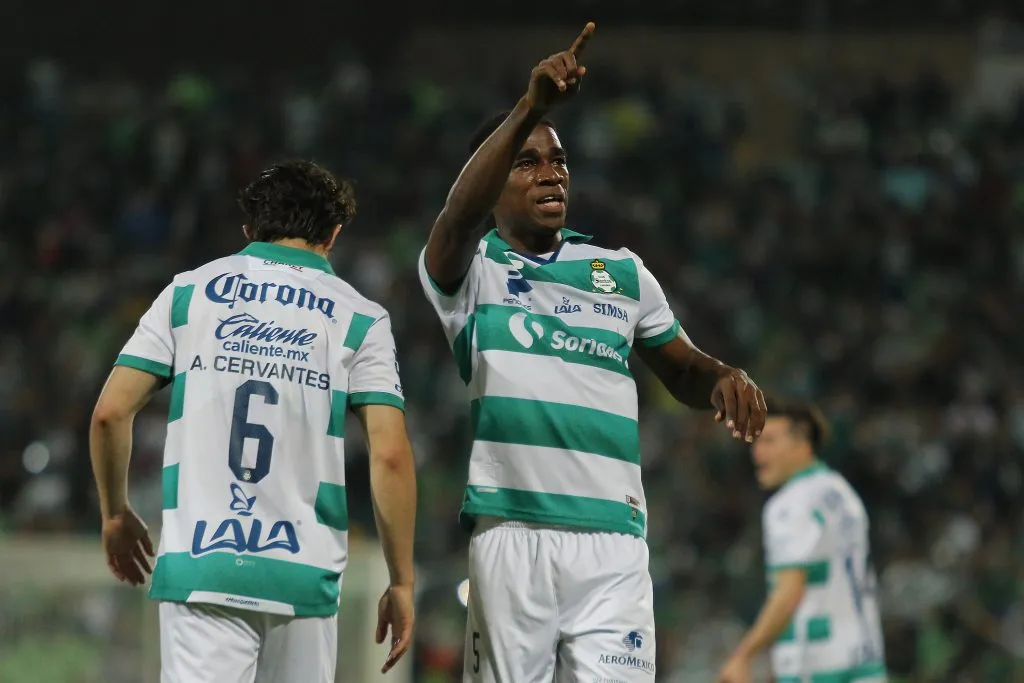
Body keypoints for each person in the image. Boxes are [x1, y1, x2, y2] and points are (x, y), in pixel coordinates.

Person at [417, 22, 767, 683]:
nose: (551, 174)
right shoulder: (470, 270)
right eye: (527, 162)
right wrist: (531, 106)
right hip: (513, 532)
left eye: (559, 161)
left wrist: (723, 376)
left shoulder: (621, 272)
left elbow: (683, 368)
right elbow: (458, 217)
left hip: (613, 542)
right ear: (490, 181)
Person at [90, 160, 417, 682]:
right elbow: (391, 455)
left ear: (249, 229)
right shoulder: (360, 317)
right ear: (333, 234)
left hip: (202, 563)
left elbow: (110, 413)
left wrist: (115, 514)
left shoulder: (188, 293)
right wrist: (400, 580)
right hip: (303, 574)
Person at [717, 400, 886, 683]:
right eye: (757, 443)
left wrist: (743, 655)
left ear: (802, 444)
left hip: (819, 665)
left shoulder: (790, 504)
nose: (757, 452)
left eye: (770, 441)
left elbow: (789, 591)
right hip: (864, 658)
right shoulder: (842, 493)